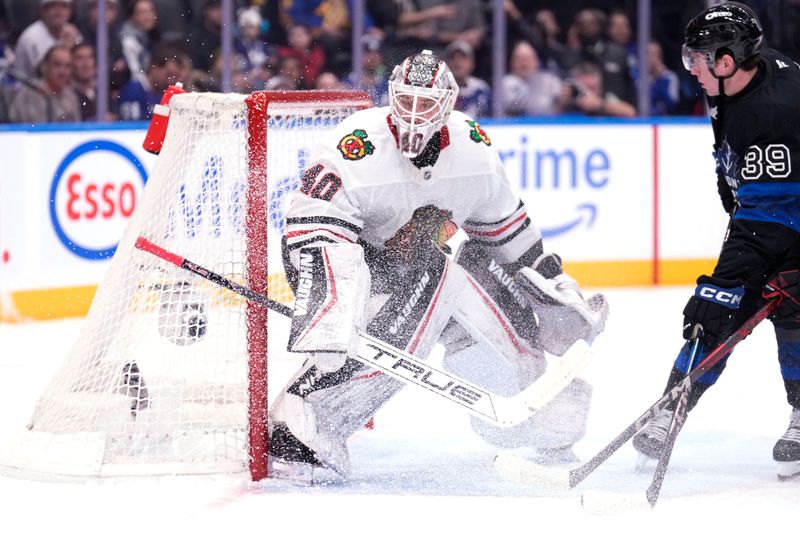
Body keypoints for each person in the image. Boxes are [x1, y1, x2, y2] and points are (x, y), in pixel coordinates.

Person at [267, 49, 609, 483]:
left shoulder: (473, 150)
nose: (413, 114)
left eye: (425, 103)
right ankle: (303, 420)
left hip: (415, 270)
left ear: (448, 105)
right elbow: (311, 228)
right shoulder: (356, 144)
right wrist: (332, 305)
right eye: (405, 100)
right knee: (436, 274)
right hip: (335, 265)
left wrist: (556, 285)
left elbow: (510, 238)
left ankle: (541, 411)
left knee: (469, 274)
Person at [632, 2, 800, 482]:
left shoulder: (775, 110)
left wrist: (723, 287)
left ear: (726, 60)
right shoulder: (741, 81)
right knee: (733, 303)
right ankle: (672, 406)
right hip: (774, 214)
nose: (691, 68)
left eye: (697, 58)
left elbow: (769, 218)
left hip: (783, 217)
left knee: (761, 302)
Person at [7, 44, 81, 123]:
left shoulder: (71, 96)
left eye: (67, 66)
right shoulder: (28, 95)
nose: (62, 72)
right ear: (45, 66)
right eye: (57, 65)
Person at [12, 0, 82, 80]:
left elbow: (82, 68)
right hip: (33, 89)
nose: (59, 11)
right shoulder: (31, 38)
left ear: (71, 11)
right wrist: (66, 49)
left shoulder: (73, 32)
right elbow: (45, 77)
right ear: (41, 11)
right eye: (52, 5)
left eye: (64, 6)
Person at [445, 40, 490, 118]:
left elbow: (492, 118)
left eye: (462, 57)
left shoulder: (481, 89)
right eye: (453, 57)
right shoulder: (439, 89)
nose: (457, 62)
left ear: (472, 63)